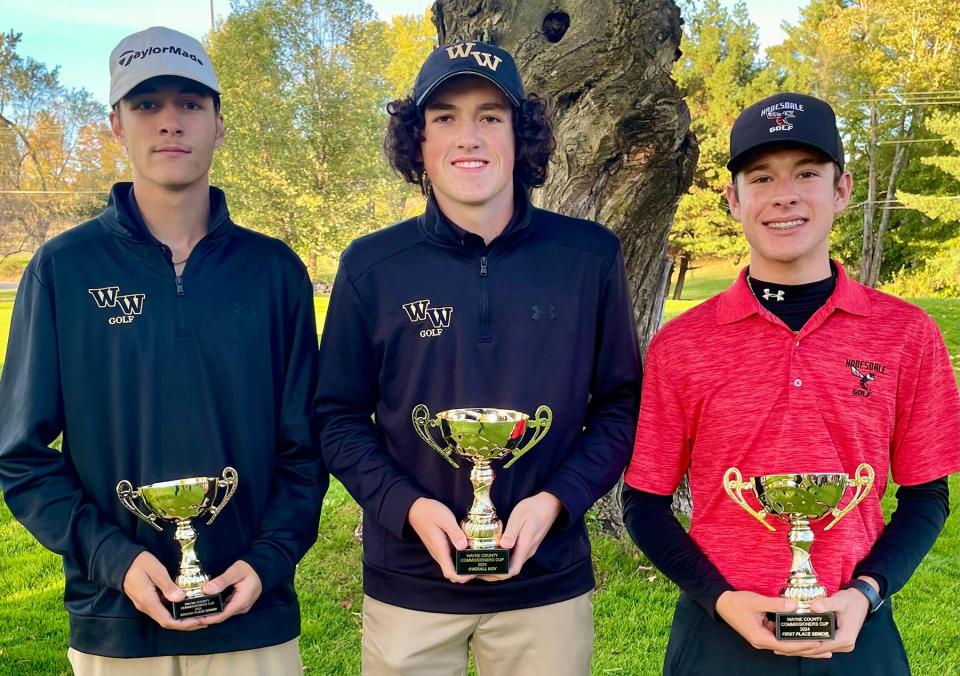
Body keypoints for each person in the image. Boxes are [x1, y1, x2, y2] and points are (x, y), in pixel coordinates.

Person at [0, 26, 326, 674]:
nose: (170, 122)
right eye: (147, 105)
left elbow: (307, 450)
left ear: (220, 124)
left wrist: (266, 563)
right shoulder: (62, 270)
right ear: (116, 124)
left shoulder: (274, 272)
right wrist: (114, 560)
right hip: (116, 628)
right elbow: (22, 458)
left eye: (190, 103)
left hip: (253, 623)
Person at [315, 40, 642, 675]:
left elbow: (621, 404)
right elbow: (337, 416)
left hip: (547, 583)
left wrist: (557, 500)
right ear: (418, 142)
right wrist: (407, 507)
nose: (469, 136)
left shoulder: (590, 257)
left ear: (521, 138)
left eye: (491, 116)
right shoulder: (370, 267)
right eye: (445, 117)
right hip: (409, 582)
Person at [622, 92, 960, 675]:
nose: (784, 196)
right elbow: (644, 503)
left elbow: (927, 496)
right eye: (762, 177)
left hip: (858, 630)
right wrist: (722, 598)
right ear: (734, 198)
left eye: (806, 173)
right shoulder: (682, 345)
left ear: (842, 189)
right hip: (718, 630)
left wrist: (865, 594)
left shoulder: (907, 334)